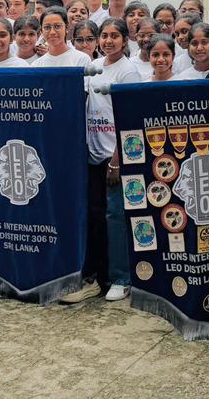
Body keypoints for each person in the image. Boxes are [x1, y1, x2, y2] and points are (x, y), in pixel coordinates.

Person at [61, 17, 140, 305]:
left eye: (114, 36)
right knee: (94, 219)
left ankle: (121, 278)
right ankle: (94, 278)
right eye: (103, 36)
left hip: (114, 158)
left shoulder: (128, 72)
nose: (108, 41)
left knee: (115, 218)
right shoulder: (94, 67)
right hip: (92, 156)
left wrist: (117, 159)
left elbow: (130, 120)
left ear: (125, 39)